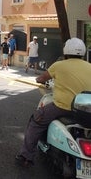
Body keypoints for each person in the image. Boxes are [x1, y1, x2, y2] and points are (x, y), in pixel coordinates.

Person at [15, 37, 91, 167]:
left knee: (36, 121)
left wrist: (40, 79)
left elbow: (41, 78)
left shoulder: (59, 65)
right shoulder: (89, 66)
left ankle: (26, 156)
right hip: (85, 110)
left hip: (62, 107)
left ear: (66, 50)